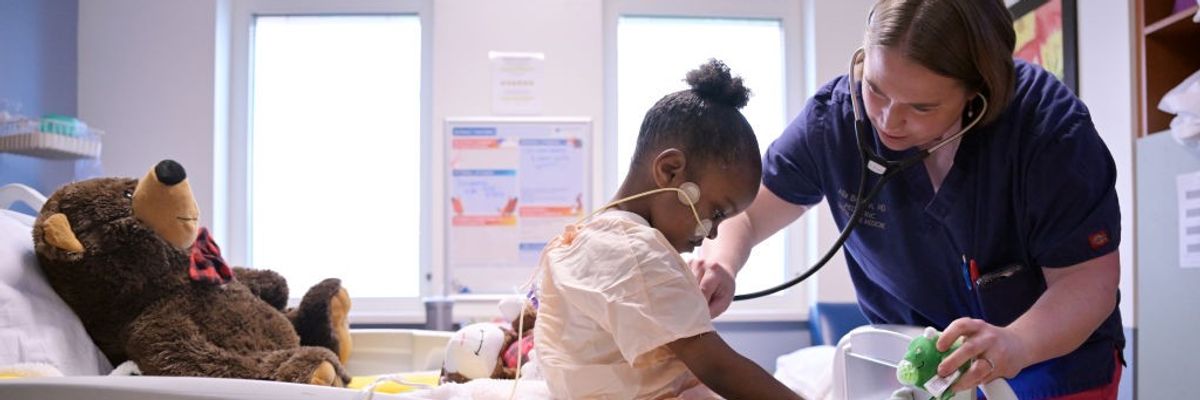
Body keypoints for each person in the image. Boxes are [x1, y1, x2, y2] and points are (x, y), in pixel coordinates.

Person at [690, 0, 1125, 398]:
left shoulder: (1047, 132)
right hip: (914, 363)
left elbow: (1087, 282)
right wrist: (722, 262)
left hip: (1051, 360)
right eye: (876, 88)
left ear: (977, 93)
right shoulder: (833, 122)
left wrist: (1016, 343)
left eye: (921, 107)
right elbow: (744, 216)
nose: (888, 119)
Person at [533, 59, 803, 399]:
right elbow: (720, 368)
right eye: (716, 212)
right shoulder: (634, 252)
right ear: (671, 171)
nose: (713, 234)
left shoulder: (594, 235)